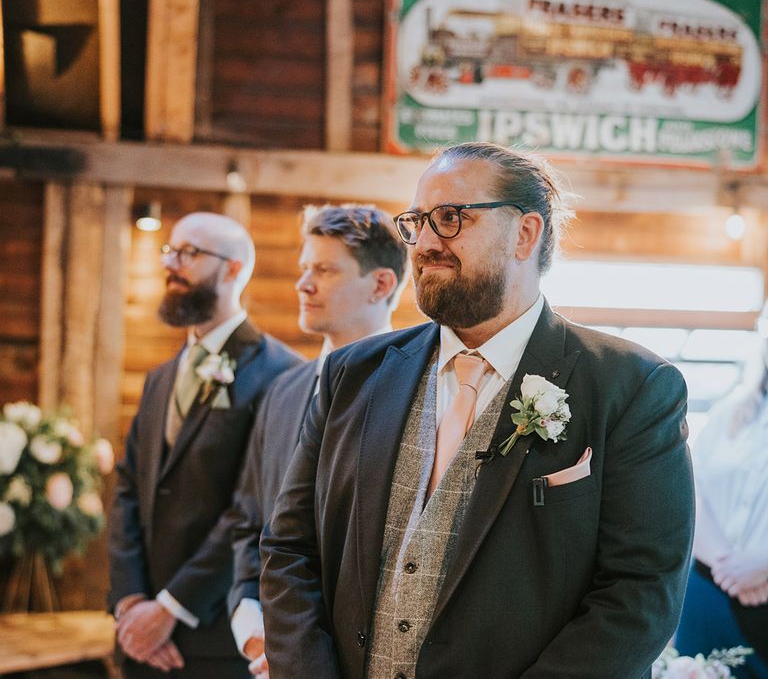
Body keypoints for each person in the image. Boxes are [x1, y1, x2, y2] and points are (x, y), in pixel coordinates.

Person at [259, 142, 696, 678]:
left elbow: (639, 595)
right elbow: (289, 548)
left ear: (525, 234)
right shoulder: (352, 375)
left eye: (450, 219)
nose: (423, 243)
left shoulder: (633, 388)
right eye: (417, 222)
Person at [108, 212, 302, 678]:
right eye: (169, 252)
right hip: (140, 636)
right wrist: (131, 601)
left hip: (215, 638)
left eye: (189, 253)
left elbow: (252, 507)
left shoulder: (281, 373)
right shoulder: (159, 378)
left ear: (234, 269)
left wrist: (171, 608)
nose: (171, 265)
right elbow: (129, 485)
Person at [228, 204, 408, 676]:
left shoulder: (415, 396)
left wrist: (302, 650)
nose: (303, 284)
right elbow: (250, 519)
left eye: (324, 270)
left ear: (381, 285)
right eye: (304, 269)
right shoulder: (283, 391)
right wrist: (253, 626)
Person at [676, 304, 768, 678]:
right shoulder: (730, 413)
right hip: (710, 585)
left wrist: (762, 564)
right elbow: (690, 489)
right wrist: (728, 565)